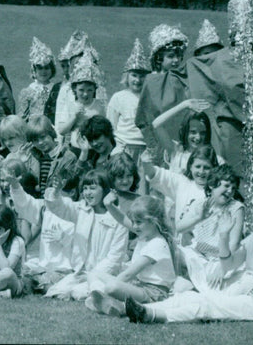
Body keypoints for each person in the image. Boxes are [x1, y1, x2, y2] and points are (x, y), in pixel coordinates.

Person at [125, 192, 253, 323]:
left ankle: (153, 315)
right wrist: (223, 236)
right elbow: (229, 263)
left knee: (207, 307)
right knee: (192, 296)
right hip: (243, 288)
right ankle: (145, 308)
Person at [43, 170, 130, 301]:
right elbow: (58, 207)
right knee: (55, 291)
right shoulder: (81, 210)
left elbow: (115, 258)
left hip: (105, 274)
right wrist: (56, 191)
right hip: (81, 272)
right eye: (85, 188)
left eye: (93, 188)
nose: (88, 193)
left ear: (105, 189)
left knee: (77, 293)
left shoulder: (119, 218)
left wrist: (92, 275)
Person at [88, 195, 176, 316]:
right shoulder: (145, 232)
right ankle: (105, 301)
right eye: (133, 222)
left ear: (154, 221)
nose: (134, 226)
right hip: (139, 286)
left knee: (112, 287)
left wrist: (107, 288)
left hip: (155, 293)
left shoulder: (157, 243)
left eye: (138, 222)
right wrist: (109, 205)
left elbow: (129, 274)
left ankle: (107, 300)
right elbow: (122, 218)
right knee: (94, 274)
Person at [185, 19, 246, 175]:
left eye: (215, 53)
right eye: (206, 55)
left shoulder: (229, 68)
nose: (212, 58)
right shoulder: (195, 78)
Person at [177, 164, 245, 294]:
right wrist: (198, 217)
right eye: (226, 185)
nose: (230, 191)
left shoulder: (236, 208)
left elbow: (234, 243)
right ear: (213, 184)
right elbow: (179, 228)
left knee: (217, 286)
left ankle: (195, 286)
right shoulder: (201, 203)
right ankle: (187, 283)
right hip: (199, 255)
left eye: (233, 188)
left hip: (221, 258)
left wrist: (222, 266)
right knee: (174, 251)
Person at [143, 145, 217, 247]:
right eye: (198, 166)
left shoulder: (216, 191)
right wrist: (146, 162)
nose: (201, 171)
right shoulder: (182, 183)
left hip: (207, 246)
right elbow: (155, 175)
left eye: (207, 168)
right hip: (182, 246)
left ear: (214, 169)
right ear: (190, 166)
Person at [135, 24, 190, 157]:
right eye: (171, 56)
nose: (176, 60)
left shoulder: (183, 78)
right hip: (160, 142)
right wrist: (153, 144)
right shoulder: (152, 81)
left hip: (183, 141)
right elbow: (143, 116)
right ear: (159, 58)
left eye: (179, 56)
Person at [106, 38, 151, 163]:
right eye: (134, 75)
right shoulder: (118, 97)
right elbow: (111, 126)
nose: (137, 80)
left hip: (145, 149)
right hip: (124, 148)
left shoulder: (150, 97)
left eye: (142, 76)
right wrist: (117, 147)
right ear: (127, 76)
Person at [56, 51, 105, 154]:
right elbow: (62, 130)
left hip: (95, 151)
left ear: (94, 89)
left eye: (89, 90)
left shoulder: (99, 106)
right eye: (81, 90)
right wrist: (74, 117)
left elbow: (105, 130)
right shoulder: (70, 105)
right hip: (74, 150)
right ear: (74, 89)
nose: (85, 94)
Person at [25, 114, 85, 195]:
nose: (40, 143)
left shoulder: (67, 157)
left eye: (43, 137)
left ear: (51, 133)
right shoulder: (32, 157)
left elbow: (71, 185)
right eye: (35, 140)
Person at [153, 101, 212, 174]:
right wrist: (184, 105)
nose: (198, 137)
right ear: (185, 132)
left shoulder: (211, 156)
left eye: (202, 133)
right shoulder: (176, 151)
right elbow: (156, 125)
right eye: (193, 132)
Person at [17, 37, 56, 121]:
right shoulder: (27, 91)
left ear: (52, 69)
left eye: (46, 68)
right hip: (34, 128)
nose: (43, 71)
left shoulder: (56, 89)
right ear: (34, 71)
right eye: (40, 68)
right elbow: (22, 116)